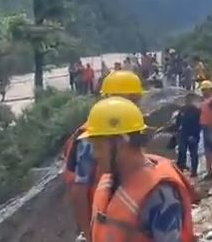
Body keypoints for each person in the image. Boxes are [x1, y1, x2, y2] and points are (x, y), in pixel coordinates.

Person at [80, 97, 197, 242]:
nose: (94, 154)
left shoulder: (159, 193)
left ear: (121, 141)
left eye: (98, 147)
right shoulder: (110, 181)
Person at [62, 70, 145, 240]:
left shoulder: (126, 128)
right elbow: (79, 191)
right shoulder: (95, 137)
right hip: (101, 215)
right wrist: (89, 234)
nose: (137, 106)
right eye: (134, 100)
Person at [175, 93, 201, 177]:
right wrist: (177, 131)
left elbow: (199, 124)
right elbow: (178, 121)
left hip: (192, 134)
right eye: (186, 100)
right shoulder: (182, 110)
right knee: (181, 152)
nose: (187, 101)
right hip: (183, 134)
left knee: (193, 153)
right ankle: (180, 170)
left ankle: (194, 172)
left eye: (189, 100)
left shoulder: (196, 111)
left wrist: (194, 135)